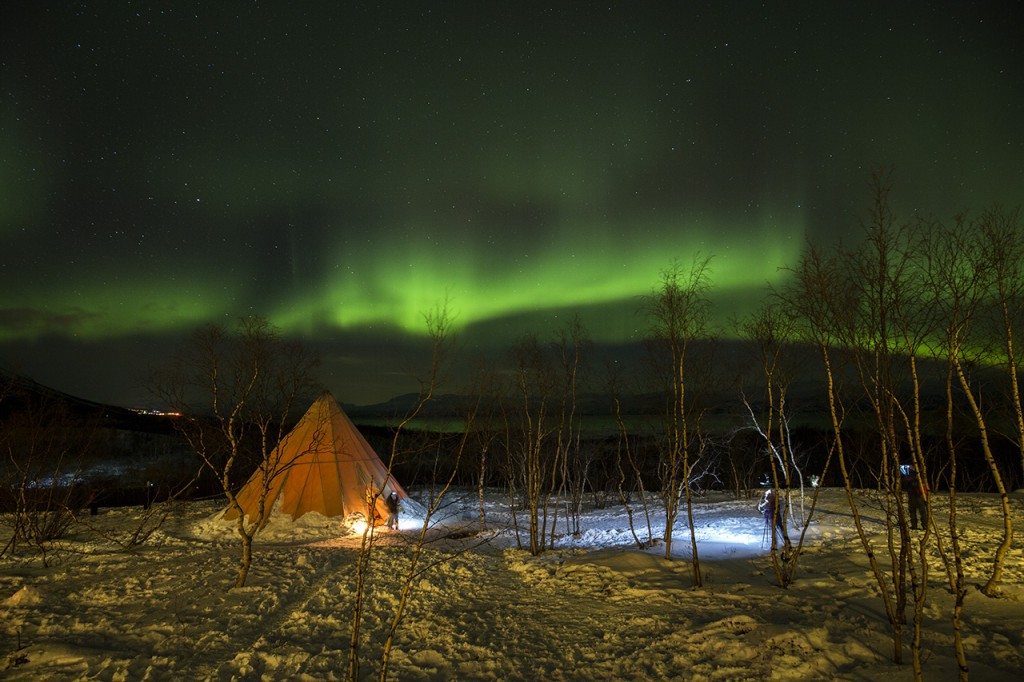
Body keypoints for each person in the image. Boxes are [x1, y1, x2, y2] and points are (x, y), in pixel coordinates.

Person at [900, 464, 928, 530]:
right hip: (920, 496)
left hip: (913, 496)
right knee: (922, 512)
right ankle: (925, 526)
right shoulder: (918, 477)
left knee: (913, 512)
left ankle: (914, 526)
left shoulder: (907, 477)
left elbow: (905, 485)